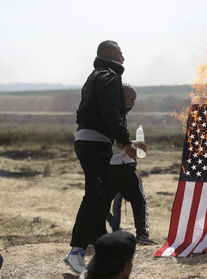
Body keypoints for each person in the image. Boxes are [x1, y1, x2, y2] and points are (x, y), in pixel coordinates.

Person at [65, 40, 137, 274]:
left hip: (90, 140)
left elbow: (84, 111)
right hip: (94, 143)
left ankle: (91, 242)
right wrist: (125, 140)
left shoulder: (94, 75)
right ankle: (76, 251)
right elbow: (110, 111)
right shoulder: (108, 75)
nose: (123, 59)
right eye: (120, 54)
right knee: (94, 196)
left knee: (96, 195)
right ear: (108, 55)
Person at [101, 82, 157, 245]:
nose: (132, 103)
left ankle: (98, 235)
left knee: (103, 203)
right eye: (129, 98)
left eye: (134, 99)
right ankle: (142, 235)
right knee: (139, 199)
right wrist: (138, 143)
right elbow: (121, 143)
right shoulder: (118, 114)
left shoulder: (105, 111)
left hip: (106, 166)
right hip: (122, 165)